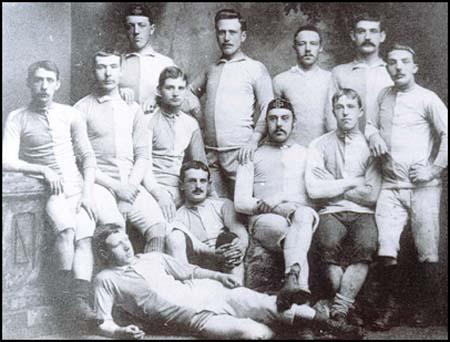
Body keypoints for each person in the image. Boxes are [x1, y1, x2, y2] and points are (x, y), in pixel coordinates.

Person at [93, 227, 363, 339]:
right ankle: (302, 325)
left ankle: (332, 326)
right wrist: (120, 331)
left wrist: (219, 276)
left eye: (125, 239)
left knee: (264, 303)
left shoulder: (151, 257)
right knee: (255, 333)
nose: (125, 246)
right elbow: (102, 320)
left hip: (208, 292)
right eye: (116, 245)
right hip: (194, 317)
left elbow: (191, 272)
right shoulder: (106, 280)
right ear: (104, 253)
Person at [2, 60, 98, 320]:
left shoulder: (70, 114)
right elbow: (6, 160)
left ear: (57, 84)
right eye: (38, 80)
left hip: (78, 190)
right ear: (29, 83)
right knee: (66, 231)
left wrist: (88, 192)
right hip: (50, 192)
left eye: (49, 80)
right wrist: (42, 170)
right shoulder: (18, 117)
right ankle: (68, 302)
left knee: (84, 237)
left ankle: (79, 302)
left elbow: (88, 156)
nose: (43, 86)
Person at [366, 44, 448, 330]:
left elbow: (447, 132)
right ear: (387, 67)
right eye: (392, 62)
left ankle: (428, 308)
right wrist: (374, 134)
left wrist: (434, 168)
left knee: (427, 249)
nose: (398, 67)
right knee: (386, 245)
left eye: (404, 62)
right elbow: (368, 124)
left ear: (415, 67)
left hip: (422, 188)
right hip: (390, 185)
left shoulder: (427, 98)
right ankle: (392, 306)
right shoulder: (383, 96)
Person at [74, 49, 167, 253]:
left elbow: (143, 156)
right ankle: (118, 282)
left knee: (159, 228)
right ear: (93, 71)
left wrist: (129, 189)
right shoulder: (81, 109)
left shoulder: (132, 107)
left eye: (113, 67)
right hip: (100, 184)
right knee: (116, 234)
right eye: (101, 67)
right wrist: (116, 188)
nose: (108, 73)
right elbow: (81, 161)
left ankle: (151, 275)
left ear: (121, 72)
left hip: (130, 184)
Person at [234, 98, 319, 313]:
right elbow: (241, 201)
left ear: (294, 123)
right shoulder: (252, 153)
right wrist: (273, 208)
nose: (279, 124)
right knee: (284, 228)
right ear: (266, 123)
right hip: (264, 220)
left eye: (284, 118)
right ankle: (300, 291)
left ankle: (292, 279)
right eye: (273, 119)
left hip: (298, 214)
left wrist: (280, 199)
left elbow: (312, 195)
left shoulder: (306, 153)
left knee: (305, 215)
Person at [305, 88, 381, 328]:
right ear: (333, 111)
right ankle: (349, 307)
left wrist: (332, 183)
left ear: (360, 112)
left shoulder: (372, 146)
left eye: (351, 107)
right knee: (327, 244)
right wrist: (353, 182)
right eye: (340, 107)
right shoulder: (319, 144)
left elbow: (372, 194)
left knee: (366, 244)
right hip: (330, 211)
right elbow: (314, 191)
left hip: (363, 213)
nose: (345, 112)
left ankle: (339, 309)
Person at [190, 9, 274, 198]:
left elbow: (268, 107)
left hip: (240, 153)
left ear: (243, 36)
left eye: (232, 32)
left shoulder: (255, 68)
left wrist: (253, 140)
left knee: (244, 207)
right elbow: (187, 93)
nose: (226, 37)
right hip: (211, 154)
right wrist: (199, 116)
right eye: (221, 32)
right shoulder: (211, 69)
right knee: (214, 206)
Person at [143, 66, 208, 222]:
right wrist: (159, 193)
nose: (175, 92)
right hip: (152, 187)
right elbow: (142, 164)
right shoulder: (148, 121)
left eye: (180, 88)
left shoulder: (191, 124)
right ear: (159, 91)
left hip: (181, 189)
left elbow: (200, 164)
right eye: (169, 87)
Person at [166, 160, 248, 284]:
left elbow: (238, 229)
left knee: (230, 239)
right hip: (200, 266)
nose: (198, 186)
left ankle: (237, 286)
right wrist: (214, 254)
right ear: (182, 185)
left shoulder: (222, 205)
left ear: (209, 185)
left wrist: (241, 246)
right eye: (192, 181)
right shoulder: (177, 216)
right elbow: (194, 248)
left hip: (227, 260)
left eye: (202, 181)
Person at [119, 4, 199, 116]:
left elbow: (184, 99)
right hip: (124, 127)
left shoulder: (165, 63)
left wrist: (158, 98)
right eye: (130, 26)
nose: (136, 31)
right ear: (125, 30)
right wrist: (118, 93)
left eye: (141, 25)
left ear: (151, 29)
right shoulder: (115, 63)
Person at [326, 12, 393, 132]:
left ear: (382, 36)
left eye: (373, 31)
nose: (367, 37)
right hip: (349, 144)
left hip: (384, 145)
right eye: (361, 31)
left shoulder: (392, 72)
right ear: (353, 35)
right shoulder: (339, 73)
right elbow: (331, 117)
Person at [273, 25, 332, 147]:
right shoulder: (281, 80)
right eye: (302, 44)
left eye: (313, 44)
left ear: (320, 47)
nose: (308, 49)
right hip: (292, 150)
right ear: (295, 47)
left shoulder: (331, 79)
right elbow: (273, 119)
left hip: (324, 150)